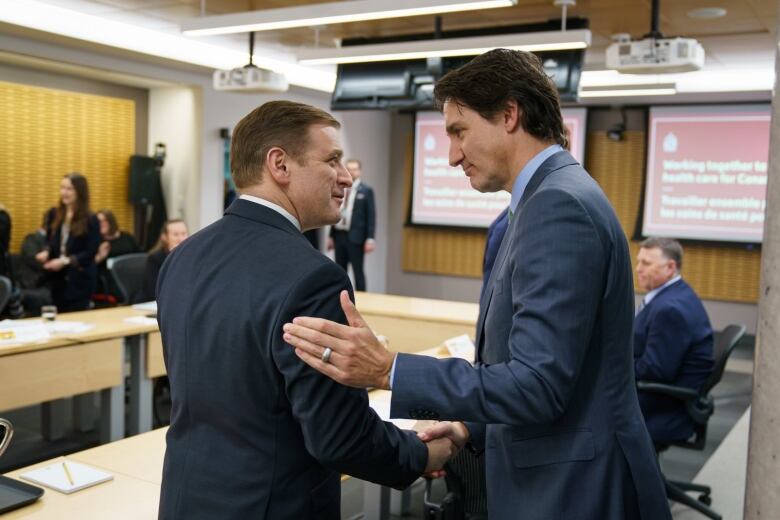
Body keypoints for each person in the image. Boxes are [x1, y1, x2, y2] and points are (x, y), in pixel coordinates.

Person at [283, 49, 671, 520]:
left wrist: (389, 371)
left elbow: (538, 384)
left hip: (575, 487)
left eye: (458, 131)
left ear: (509, 115)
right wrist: (472, 428)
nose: (451, 156)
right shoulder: (545, 200)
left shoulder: (556, 207)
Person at [155, 101, 454, 519]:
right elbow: (339, 437)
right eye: (332, 160)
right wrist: (425, 454)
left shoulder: (183, 256)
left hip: (185, 500)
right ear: (279, 165)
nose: (347, 176)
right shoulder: (315, 279)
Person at [634, 237, 715, 445]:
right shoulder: (673, 295)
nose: (638, 269)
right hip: (660, 399)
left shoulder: (670, 310)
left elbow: (655, 370)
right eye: (638, 261)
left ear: (670, 267)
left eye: (646, 263)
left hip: (661, 409)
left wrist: (610, 368)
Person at [36, 173, 100, 312]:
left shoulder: (91, 219)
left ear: (79, 191)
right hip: (57, 280)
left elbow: (90, 252)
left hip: (79, 280)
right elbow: (50, 241)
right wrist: (46, 252)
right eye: (62, 187)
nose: (64, 192)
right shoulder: (54, 213)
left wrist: (64, 261)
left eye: (69, 189)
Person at [328, 159, 375, 291]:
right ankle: (340, 299)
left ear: (359, 171)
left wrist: (370, 239)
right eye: (349, 168)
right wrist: (331, 236)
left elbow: (371, 216)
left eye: (354, 169)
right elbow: (335, 211)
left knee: (357, 271)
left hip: (356, 237)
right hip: (339, 235)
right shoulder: (339, 188)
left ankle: (363, 301)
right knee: (340, 271)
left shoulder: (366, 191)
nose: (351, 171)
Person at [94, 209, 141, 302]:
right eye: (98, 221)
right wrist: (100, 256)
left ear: (111, 222)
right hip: (110, 279)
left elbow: (140, 256)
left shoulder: (127, 237)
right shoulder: (95, 241)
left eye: (104, 220)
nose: (101, 224)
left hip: (132, 275)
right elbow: (89, 265)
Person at [140, 219, 187, 302]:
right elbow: (153, 291)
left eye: (183, 234)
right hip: (156, 304)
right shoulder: (155, 258)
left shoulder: (192, 256)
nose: (181, 238)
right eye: (175, 234)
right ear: (165, 237)